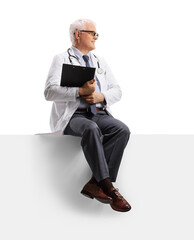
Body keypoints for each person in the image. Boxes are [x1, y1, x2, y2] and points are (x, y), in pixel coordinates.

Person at [44, 19, 131, 212]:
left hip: (99, 112)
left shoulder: (100, 61)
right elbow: (49, 92)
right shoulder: (61, 58)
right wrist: (79, 92)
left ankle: (95, 183)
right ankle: (109, 187)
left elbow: (117, 90)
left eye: (96, 34)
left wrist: (101, 96)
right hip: (74, 116)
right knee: (91, 129)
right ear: (77, 34)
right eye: (92, 33)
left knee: (121, 129)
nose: (96, 37)